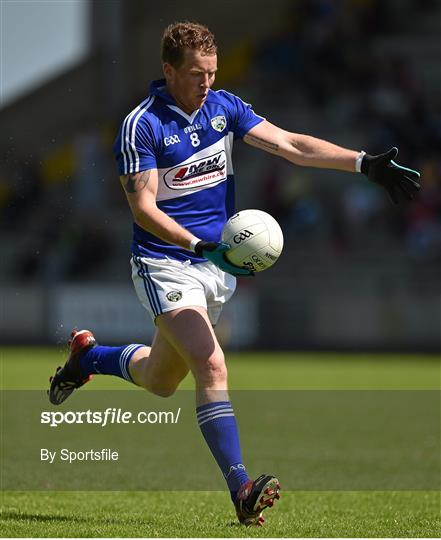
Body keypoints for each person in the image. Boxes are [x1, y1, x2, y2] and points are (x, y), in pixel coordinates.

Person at [48, 21, 420, 526]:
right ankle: (242, 488)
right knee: (212, 364)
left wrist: (363, 163)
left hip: (214, 266)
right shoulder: (143, 124)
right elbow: (143, 208)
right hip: (165, 261)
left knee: (159, 380)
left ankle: (89, 357)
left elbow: (291, 145)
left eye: (213, 73)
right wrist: (199, 244)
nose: (207, 83)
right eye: (198, 74)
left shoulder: (224, 108)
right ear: (169, 69)